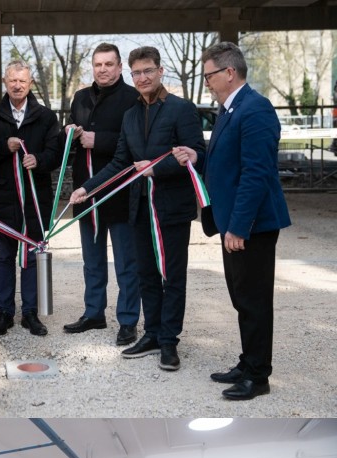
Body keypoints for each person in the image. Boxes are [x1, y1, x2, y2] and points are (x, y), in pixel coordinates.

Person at [69, 46, 205, 372]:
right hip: (138, 207)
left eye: (148, 71)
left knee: (171, 276)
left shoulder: (181, 109)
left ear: (160, 72)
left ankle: (170, 342)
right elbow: (120, 162)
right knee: (145, 275)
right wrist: (87, 188)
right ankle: (153, 333)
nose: (142, 78)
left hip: (170, 207)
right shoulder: (131, 115)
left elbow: (196, 153)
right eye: (137, 73)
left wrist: (159, 169)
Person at [182, 41, 291, 401]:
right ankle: (248, 361)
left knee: (254, 300)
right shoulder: (231, 110)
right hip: (235, 223)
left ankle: (258, 376)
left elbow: (256, 174)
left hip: (252, 227)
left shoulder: (255, 109)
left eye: (209, 75)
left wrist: (239, 226)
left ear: (229, 73)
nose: (207, 83)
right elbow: (226, 164)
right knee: (242, 297)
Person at [0, 60, 61, 337]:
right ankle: (5, 312)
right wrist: (3, 146)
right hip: (2, 199)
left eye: (22, 81)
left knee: (32, 255)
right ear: (4, 81)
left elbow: (56, 154)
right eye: (13, 81)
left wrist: (40, 160)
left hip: (35, 199)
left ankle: (30, 313)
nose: (18, 85)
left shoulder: (46, 117)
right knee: (4, 256)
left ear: (30, 83)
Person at [63, 43, 142, 345]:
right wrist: (69, 133)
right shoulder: (81, 97)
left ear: (120, 67)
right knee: (92, 260)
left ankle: (128, 320)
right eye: (98, 64)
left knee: (126, 262)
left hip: (120, 193)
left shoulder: (132, 98)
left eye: (109, 64)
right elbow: (73, 144)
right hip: (87, 194)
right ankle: (94, 313)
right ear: (92, 67)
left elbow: (135, 143)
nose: (103, 69)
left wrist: (100, 140)